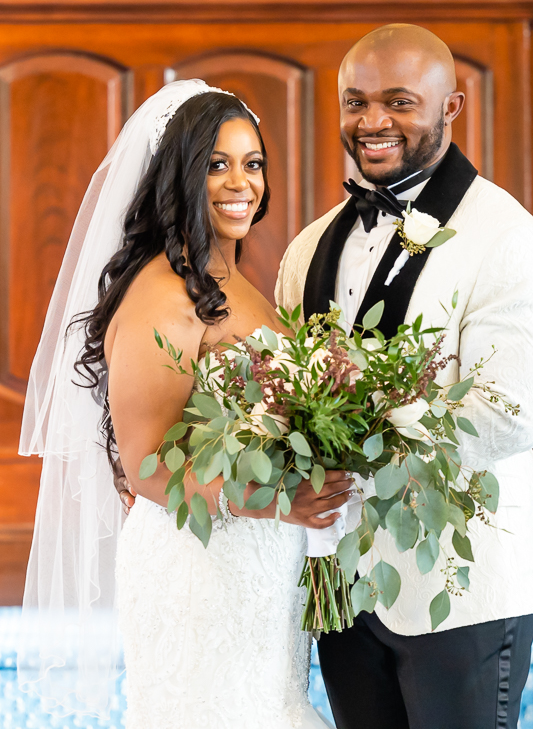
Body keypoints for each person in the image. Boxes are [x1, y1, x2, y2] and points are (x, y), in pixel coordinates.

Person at [274, 23, 533, 729]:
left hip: (463, 578)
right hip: (344, 580)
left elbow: (506, 412)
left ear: (451, 107)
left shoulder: (512, 240)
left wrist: (358, 430)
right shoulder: (311, 242)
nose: (372, 121)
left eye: (399, 101)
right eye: (355, 102)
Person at [18, 80, 347, 728]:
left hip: (262, 564)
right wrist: (282, 499)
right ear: (178, 177)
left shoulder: (244, 283)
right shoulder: (161, 296)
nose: (240, 182)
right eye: (216, 165)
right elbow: (146, 467)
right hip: (198, 567)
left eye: (253, 164)